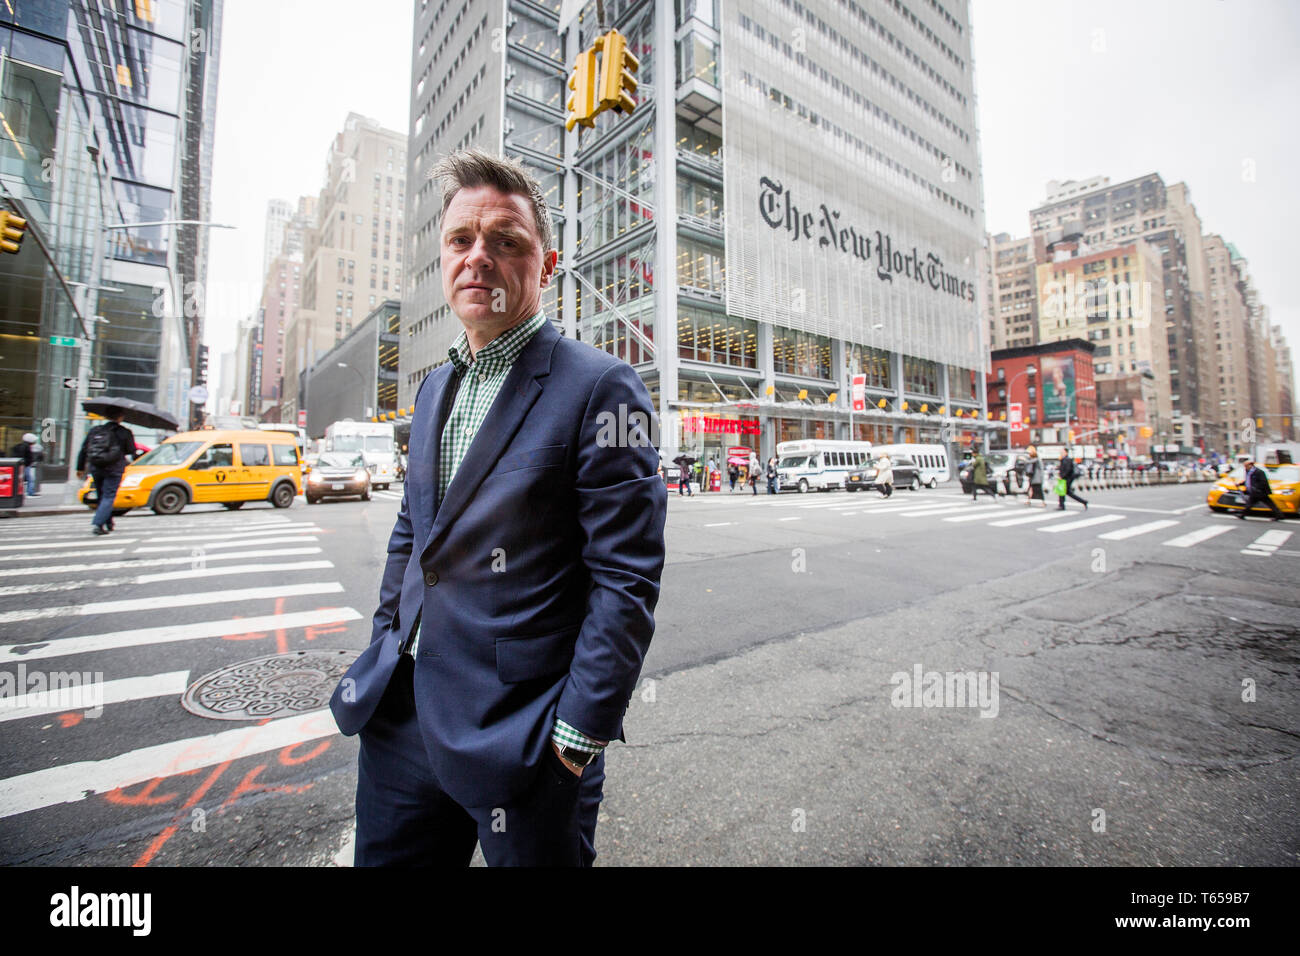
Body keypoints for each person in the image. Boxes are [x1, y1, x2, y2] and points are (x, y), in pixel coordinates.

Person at [328, 149, 667, 867]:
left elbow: (626, 579)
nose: (479, 257)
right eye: (461, 240)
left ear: (546, 267)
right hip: (400, 720)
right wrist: (387, 637)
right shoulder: (430, 392)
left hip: (527, 738)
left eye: (506, 241)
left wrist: (574, 739)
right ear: (444, 259)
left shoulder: (603, 388)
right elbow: (413, 535)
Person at [75, 413, 136, 534]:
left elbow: (84, 449)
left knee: (102, 496)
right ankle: (98, 524)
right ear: (120, 417)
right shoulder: (124, 432)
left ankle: (108, 523)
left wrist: (80, 468)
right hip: (114, 468)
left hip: (96, 468)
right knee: (109, 496)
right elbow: (131, 450)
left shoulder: (95, 431)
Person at [11, 432, 41, 497]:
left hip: (23, 465)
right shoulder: (26, 447)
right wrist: (28, 462)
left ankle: (26, 492)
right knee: (30, 479)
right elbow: (26, 456)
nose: (35, 441)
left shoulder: (22, 446)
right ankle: (30, 492)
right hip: (25, 465)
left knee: (24, 479)